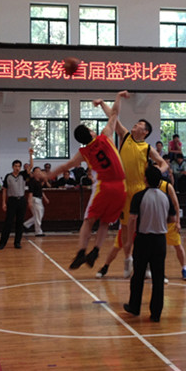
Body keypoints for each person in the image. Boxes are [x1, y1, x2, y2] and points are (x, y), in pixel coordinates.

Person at [93, 91, 168, 279]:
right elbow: (113, 117)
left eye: (139, 124)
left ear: (145, 132)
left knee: (144, 230)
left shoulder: (147, 148)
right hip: (124, 190)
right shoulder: (125, 136)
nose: (135, 125)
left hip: (141, 191)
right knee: (126, 229)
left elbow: (163, 163)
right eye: (135, 123)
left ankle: (147, 265)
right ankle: (128, 259)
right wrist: (102, 104)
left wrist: (158, 171)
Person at [49, 104, 126, 270]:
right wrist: (116, 98)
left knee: (88, 221)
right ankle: (96, 251)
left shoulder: (84, 152)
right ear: (91, 133)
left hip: (104, 187)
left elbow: (66, 166)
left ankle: (81, 252)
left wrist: (48, 175)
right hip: (121, 187)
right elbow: (114, 114)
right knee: (105, 222)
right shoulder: (105, 136)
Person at [123, 166, 175, 322]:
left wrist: (129, 240)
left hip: (143, 239)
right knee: (158, 277)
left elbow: (132, 219)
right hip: (160, 240)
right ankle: (156, 313)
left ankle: (134, 306)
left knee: (138, 275)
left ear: (145, 179)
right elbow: (172, 218)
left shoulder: (139, 196)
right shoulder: (166, 197)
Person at [0, 150, 33, 250]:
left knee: (20, 222)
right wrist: (3, 203)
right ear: (12, 167)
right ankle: (2, 243)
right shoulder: (8, 176)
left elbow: (31, 166)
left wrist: (30, 155)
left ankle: (17, 242)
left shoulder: (23, 175)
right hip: (12, 200)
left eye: (19, 166)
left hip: (21, 200)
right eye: (15, 166)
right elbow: (4, 190)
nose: (17, 168)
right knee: (8, 222)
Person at [23, 166, 49, 237]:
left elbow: (41, 191)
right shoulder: (32, 181)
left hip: (39, 199)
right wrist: (29, 201)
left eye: (39, 171)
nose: (38, 173)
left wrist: (45, 198)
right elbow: (30, 192)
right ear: (33, 173)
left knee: (39, 215)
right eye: (37, 171)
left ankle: (26, 224)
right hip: (35, 199)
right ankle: (38, 231)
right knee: (38, 216)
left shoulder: (39, 181)